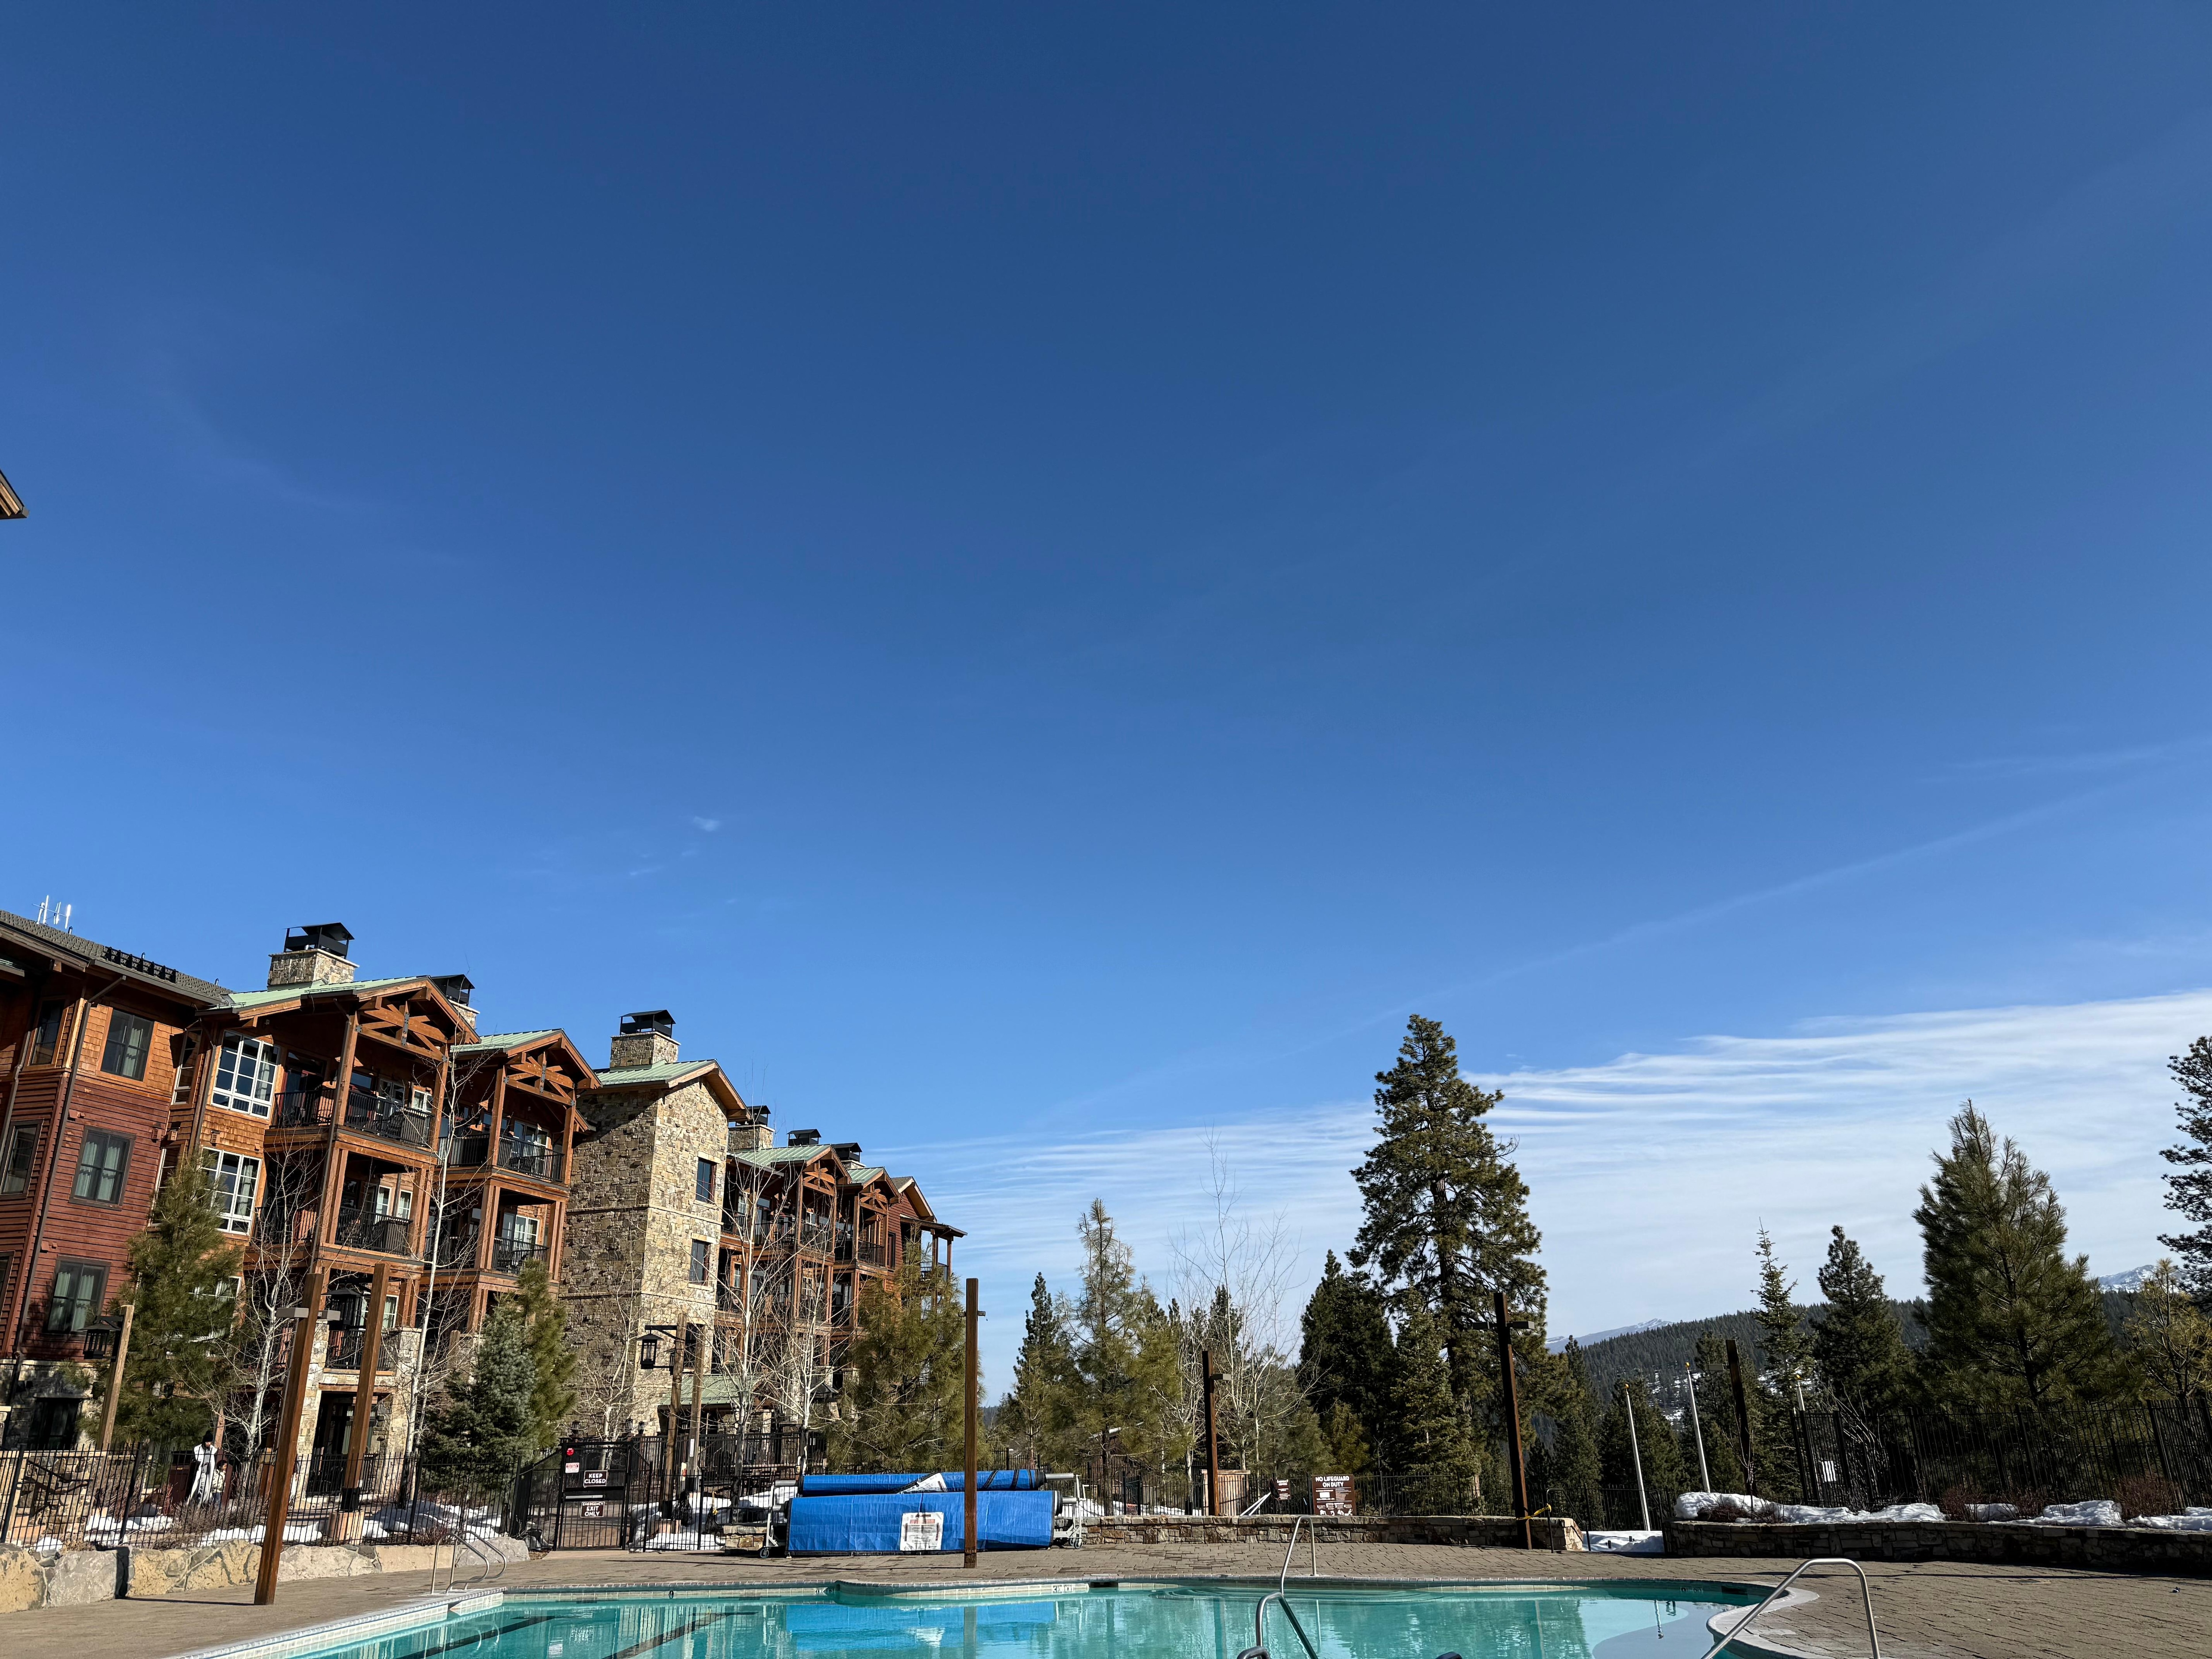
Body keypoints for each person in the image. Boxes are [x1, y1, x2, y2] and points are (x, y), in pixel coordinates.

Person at [189, 1432, 220, 1504]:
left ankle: (203, 1504)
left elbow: (213, 1462)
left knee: (206, 1491)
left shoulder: (213, 1450)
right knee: (197, 1490)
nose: (209, 1444)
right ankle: (194, 1504)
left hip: (207, 1474)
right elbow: (195, 1460)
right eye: (207, 1442)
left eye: (210, 1442)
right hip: (200, 1473)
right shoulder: (198, 1449)